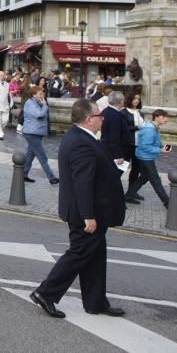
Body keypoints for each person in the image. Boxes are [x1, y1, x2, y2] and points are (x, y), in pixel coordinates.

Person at [29, 99, 126, 319]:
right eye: (99, 116)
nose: (102, 118)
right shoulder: (81, 142)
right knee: (79, 254)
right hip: (87, 212)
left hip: (92, 210)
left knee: (95, 256)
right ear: (88, 120)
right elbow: (83, 182)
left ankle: (96, 302)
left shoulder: (82, 137)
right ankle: (45, 293)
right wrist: (88, 216)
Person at [124, 109, 172, 208]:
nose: (166, 119)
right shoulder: (149, 129)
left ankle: (129, 195)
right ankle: (167, 203)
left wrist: (162, 146)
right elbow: (145, 146)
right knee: (156, 180)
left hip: (144, 156)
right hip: (145, 158)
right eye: (164, 117)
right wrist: (160, 150)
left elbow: (154, 142)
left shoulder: (153, 127)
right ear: (157, 117)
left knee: (144, 177)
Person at [22, 86, 59, 185]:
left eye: (42, 93)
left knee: (30, 155)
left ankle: (23, 175)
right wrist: (45, 105)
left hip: (35, 132)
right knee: (42, 156)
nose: (42, 95)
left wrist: (43, 104)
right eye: (40, 94)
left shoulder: (37, 102)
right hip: (31, 133)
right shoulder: (30, 103)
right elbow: (39, 114)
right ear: (33, 94)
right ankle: (51, 177)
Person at [99, 91, 133, 182]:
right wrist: (118, 155)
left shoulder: (105, 111)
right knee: (113, 177)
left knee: (110, 175)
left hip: (108, 149)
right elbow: (114, 136)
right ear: (121, 101)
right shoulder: (115, 115)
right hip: (116, 152)